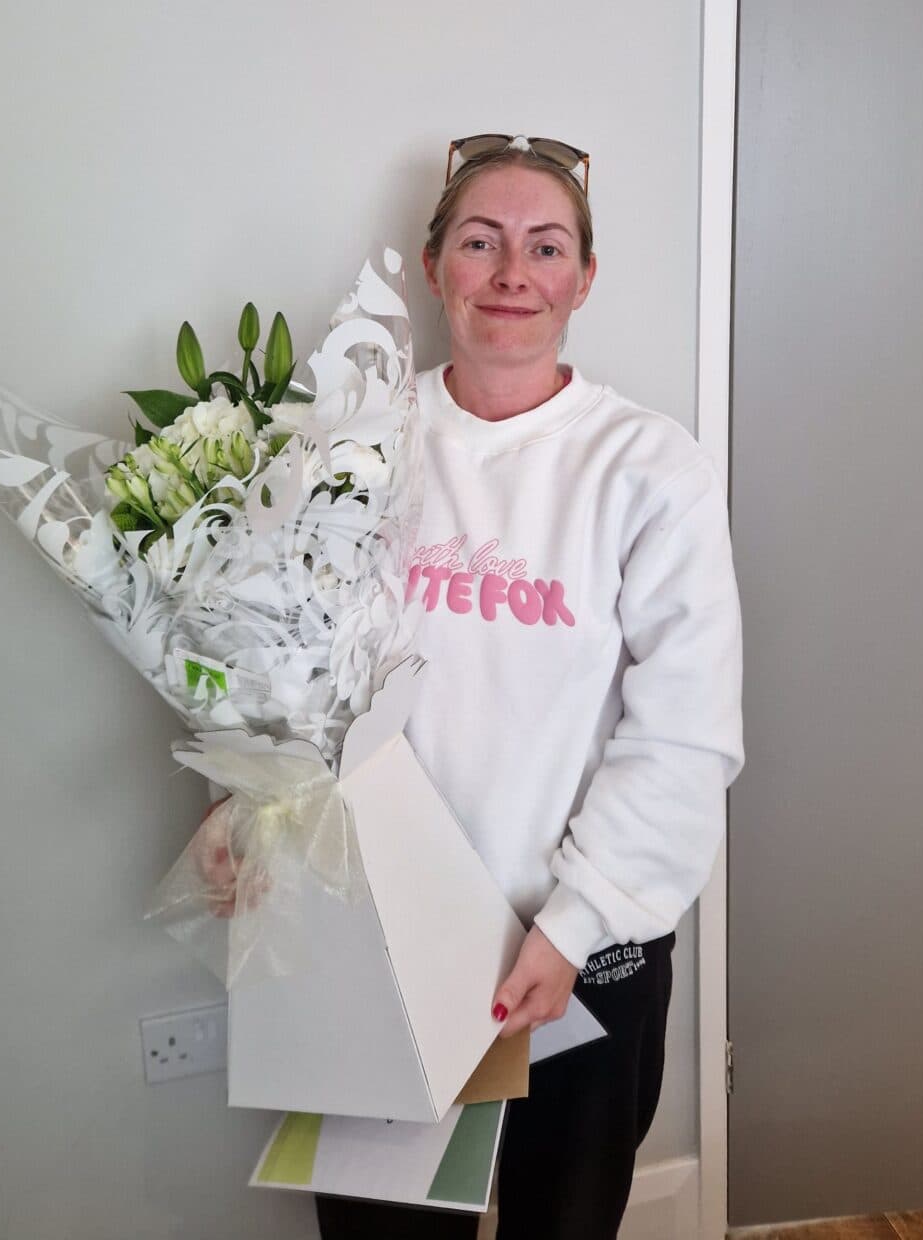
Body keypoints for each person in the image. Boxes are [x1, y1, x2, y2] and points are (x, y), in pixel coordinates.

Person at [314, 134, 744, 1238]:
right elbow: (290, 676)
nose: (512, 273)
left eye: (545, 246)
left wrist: (574, 921)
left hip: (581, 947)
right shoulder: (353, 446)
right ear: (432, 265)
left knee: (564, 1216)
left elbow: (685, 733)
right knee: (380, 1227)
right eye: (480, 241)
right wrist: (249, 810)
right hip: (384, 935)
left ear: (583, 279)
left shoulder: (649, 466)